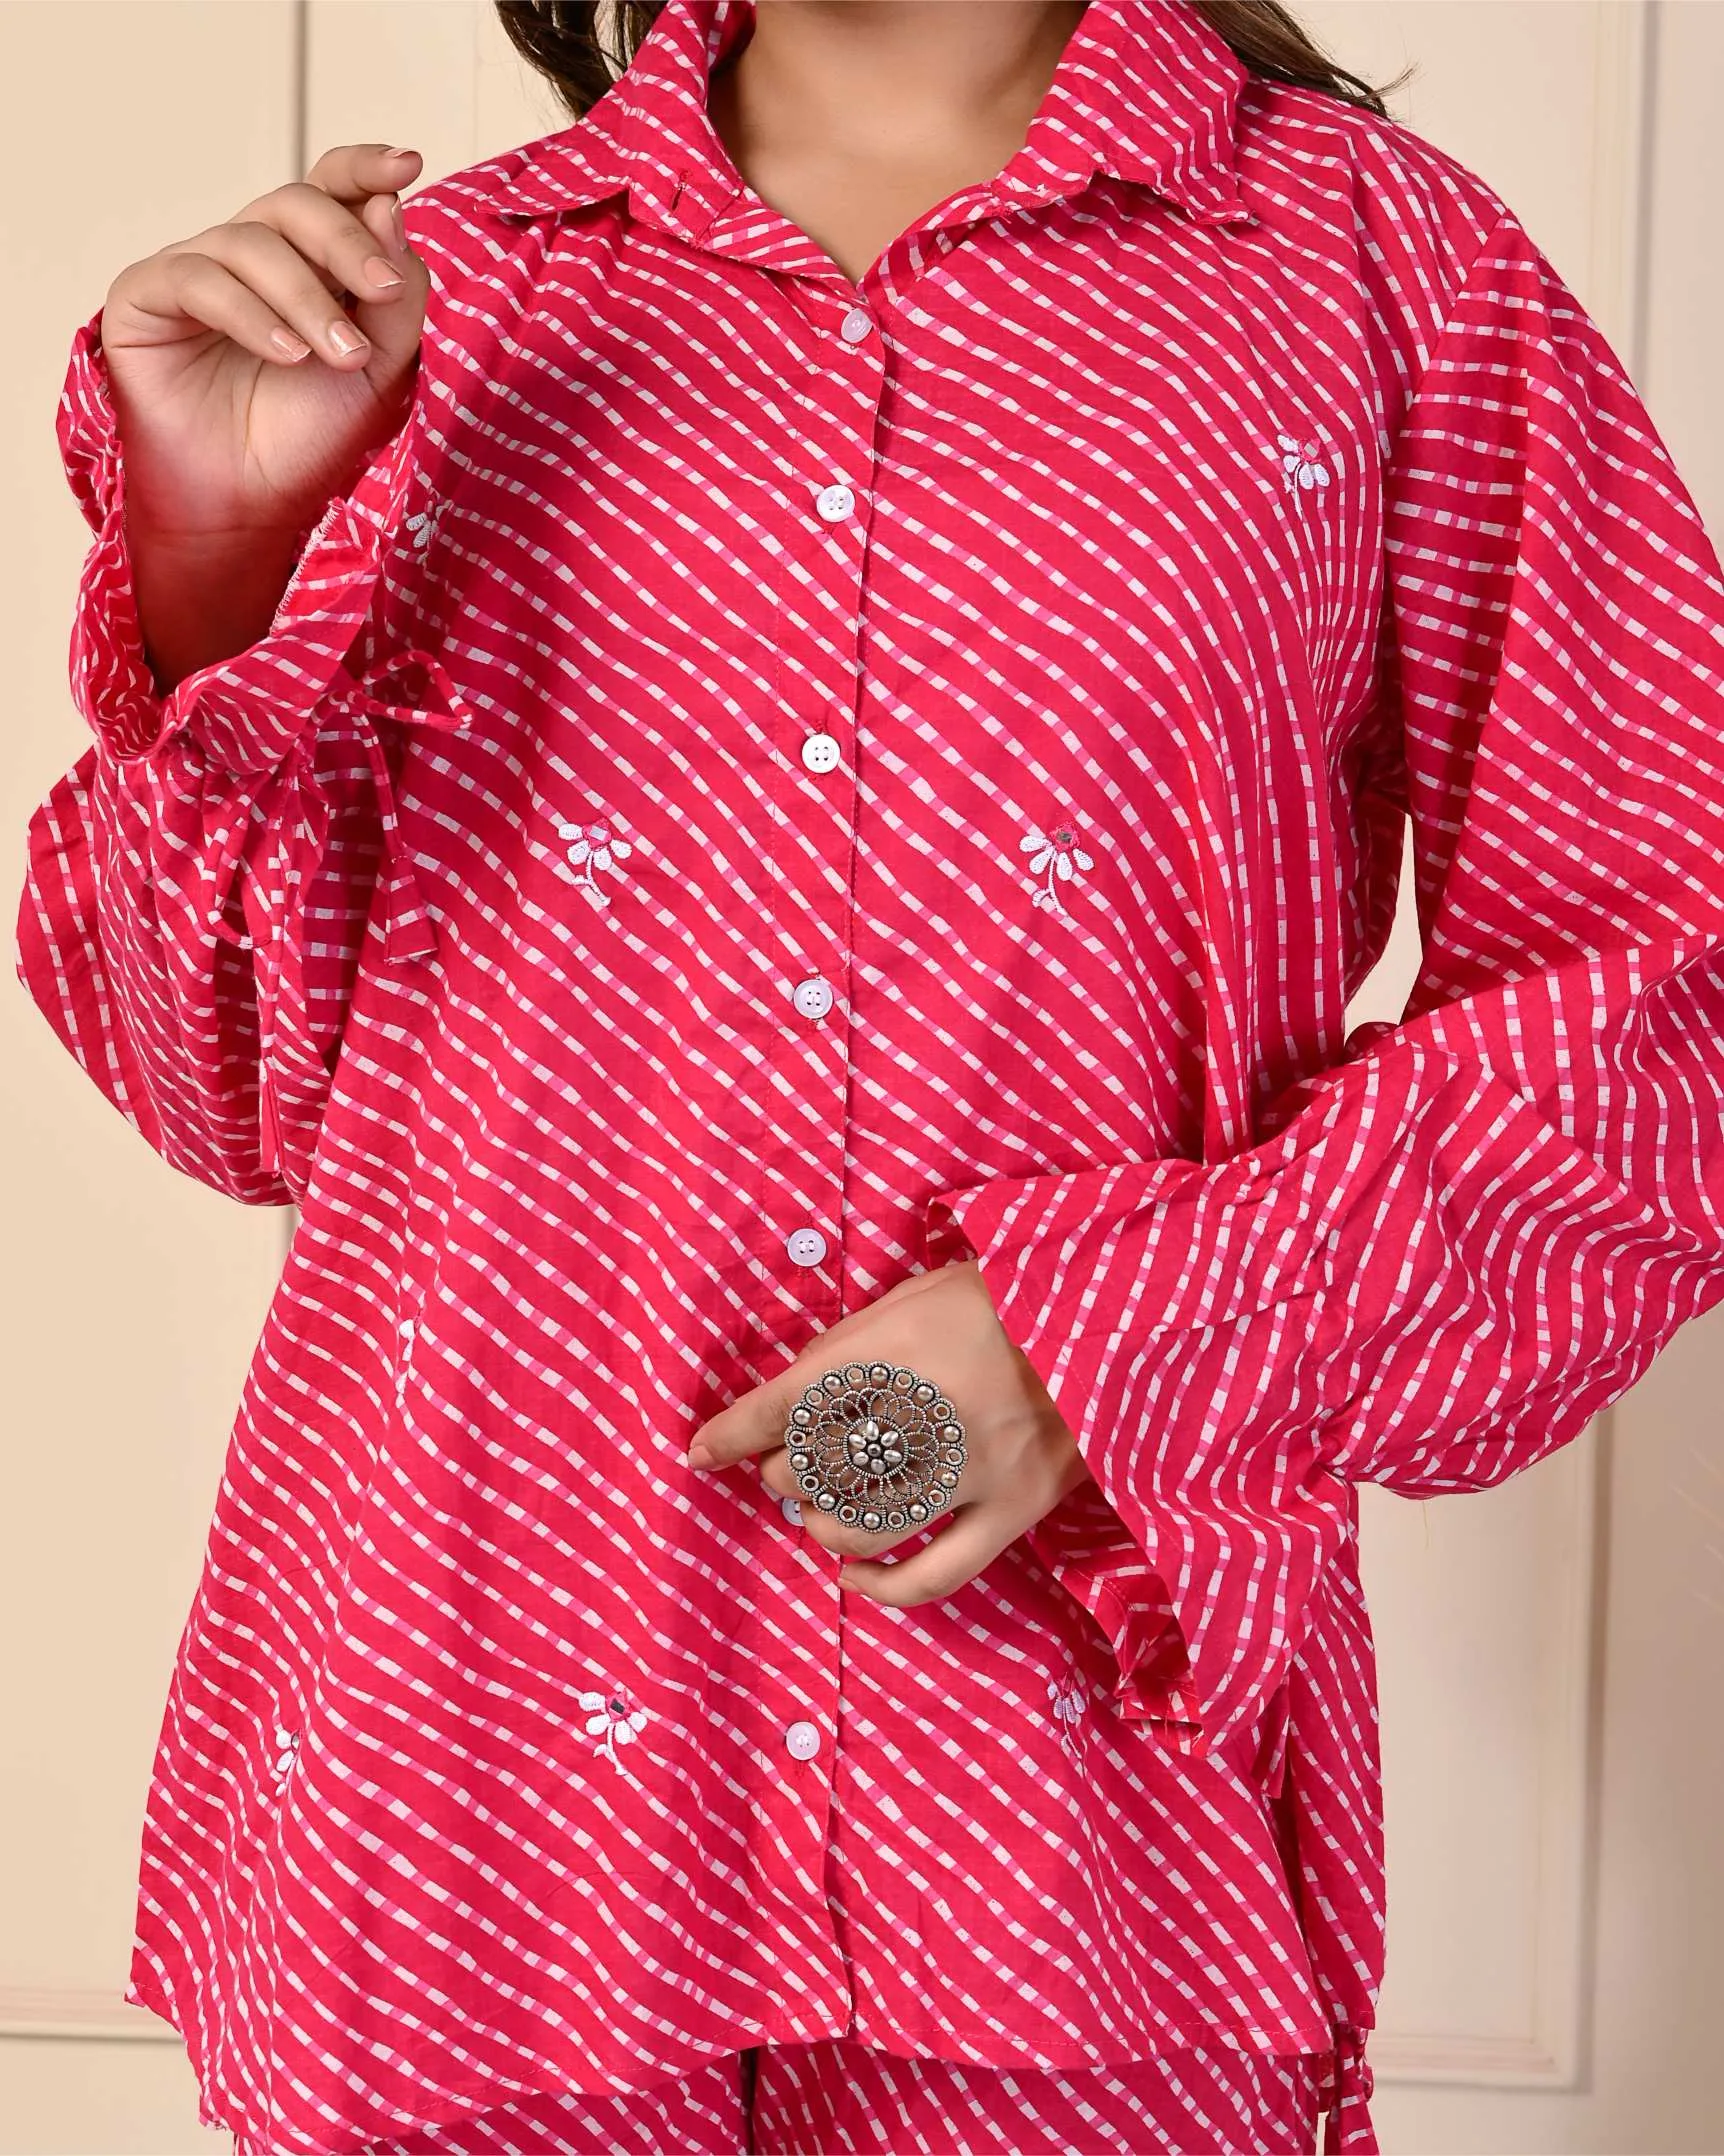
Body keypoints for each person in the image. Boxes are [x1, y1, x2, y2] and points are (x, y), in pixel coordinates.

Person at [16, 0, 1724, 2151]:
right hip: (470, 1783)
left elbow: (1664, 991)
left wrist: (1102, 1333)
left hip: (1070, 1799)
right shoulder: (445, 301)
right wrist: (215, 565)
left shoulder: (1383, 273)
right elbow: (233, 1092)